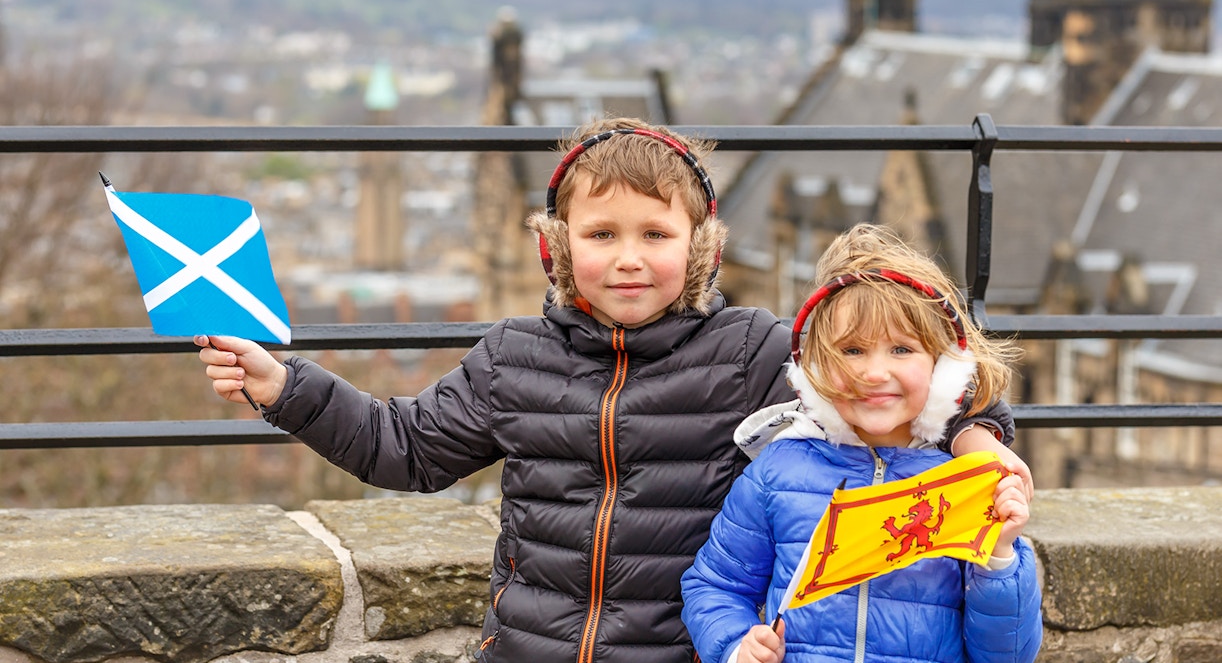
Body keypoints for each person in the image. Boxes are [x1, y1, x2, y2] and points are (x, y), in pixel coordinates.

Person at [196, 119, 1027, 663]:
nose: (629, 258)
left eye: (655, 235)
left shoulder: (748, 351)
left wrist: (981, 442)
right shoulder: (511, 356)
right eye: (601, 234)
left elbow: (908, 386)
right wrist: (285, 385)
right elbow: (403, 448)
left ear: (698, 248)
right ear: (558, 247)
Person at [680, 223, 1043, 663]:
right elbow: (715, 585)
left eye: (901, 350)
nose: (874, 373)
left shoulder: (965, 486)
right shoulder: (777, 471)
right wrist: (736, 646)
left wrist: (999, 556)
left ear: (943, 368)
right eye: (852, 351)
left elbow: (1008, 654)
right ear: (815, 365)